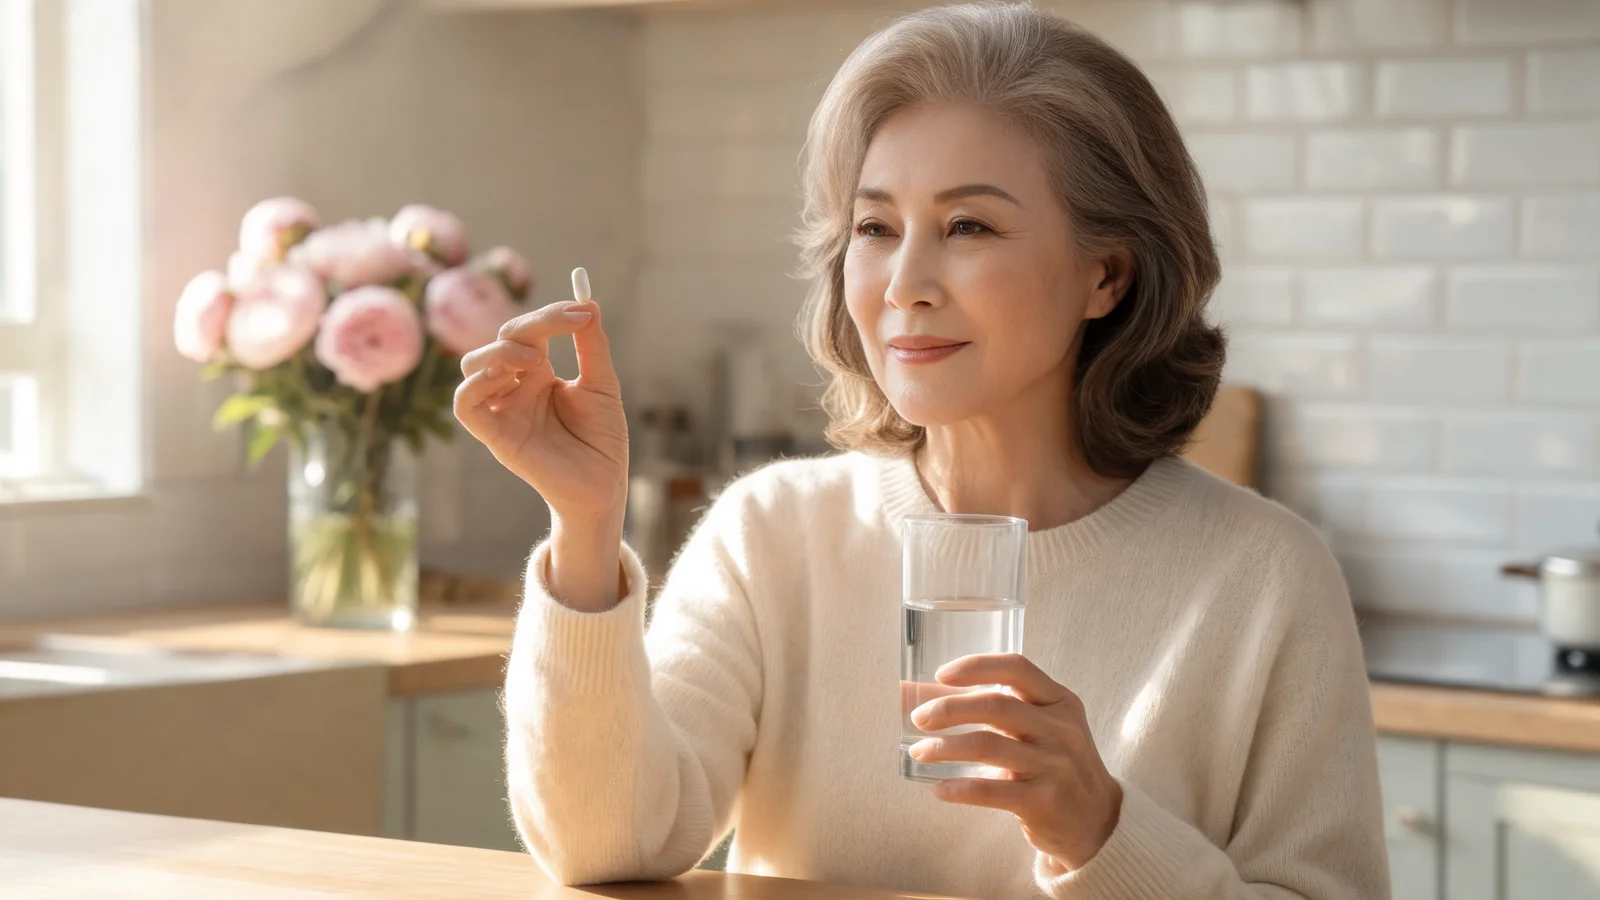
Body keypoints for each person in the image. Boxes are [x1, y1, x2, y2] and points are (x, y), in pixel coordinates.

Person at [455, 4, 1389, 898]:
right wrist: (583, 526)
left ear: (1106, 274)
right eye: (875, 229)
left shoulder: (1266, 576)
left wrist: (1101, 831)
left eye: (968, 227)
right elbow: (606, 846)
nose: (905, 284)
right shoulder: (774, 532)